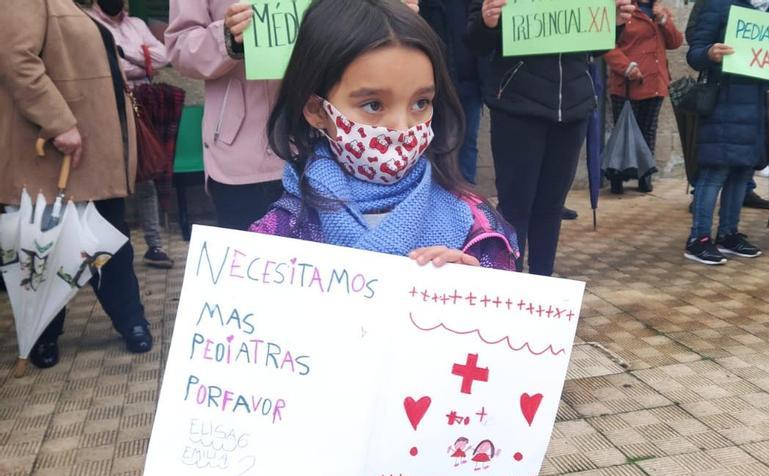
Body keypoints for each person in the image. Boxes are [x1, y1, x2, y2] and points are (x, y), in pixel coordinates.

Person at [250, 0, 518, 272]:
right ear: (317, 110)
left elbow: (506, 303)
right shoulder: (279, 236)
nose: (402, 127)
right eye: (373, 105)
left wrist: (475, 285)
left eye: (421, 102)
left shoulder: (476, 226)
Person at [0, 0, 153, 367]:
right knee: (47, 244)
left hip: (89, 151)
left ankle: (131, 319)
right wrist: (57, 122)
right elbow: (15, 58)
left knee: (111, 236)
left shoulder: (72, 4)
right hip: (55, 152)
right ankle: (43, 334)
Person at [467, 0, 635, 275]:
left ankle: (542, 283)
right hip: (518, 108)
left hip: (572, 109)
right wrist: (487, 22)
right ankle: (507, 286)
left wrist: (614, 22)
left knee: (551, 204)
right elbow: (476, 43)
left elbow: (595, 46)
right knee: (515, 204)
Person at [165, 1, 285, 231]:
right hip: (242, 155)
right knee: (249, 260)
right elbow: (180, 48)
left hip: (319, 146)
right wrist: (226, 36)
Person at [684, 0, 769, 265]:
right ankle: (699, 238)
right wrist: (710, 53)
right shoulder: (717, 5)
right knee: (714, 170)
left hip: (758, 102)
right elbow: (694, 54)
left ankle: (729, 233)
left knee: (743, 169)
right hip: (724, 101)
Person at [88, 0, 174, 269]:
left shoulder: (136, 24)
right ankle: (103, 250)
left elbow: (165, 57)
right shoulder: (88, 23)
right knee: (105, 182)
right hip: (104, 110)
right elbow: (103, 69)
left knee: (145, 177)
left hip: (140, 109)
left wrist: (121, 53)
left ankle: (154, 245)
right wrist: (142, 58)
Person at [604, 0, 683, 195]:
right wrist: (626, 66)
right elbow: (606, 45)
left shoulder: (659, 11)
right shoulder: (622, 9)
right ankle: (617, 177)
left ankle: (644, 175)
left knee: (648, 130)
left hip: (655, 82)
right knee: (623, 131)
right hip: (628, 84)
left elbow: (675, 42)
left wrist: (664, 20)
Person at [419, 0, 486, 185]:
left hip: (467, 81)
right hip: (431, 84)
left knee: (467, 143)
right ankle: (431, 195)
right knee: (430, 142)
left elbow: (480, 38)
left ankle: (467, 199)